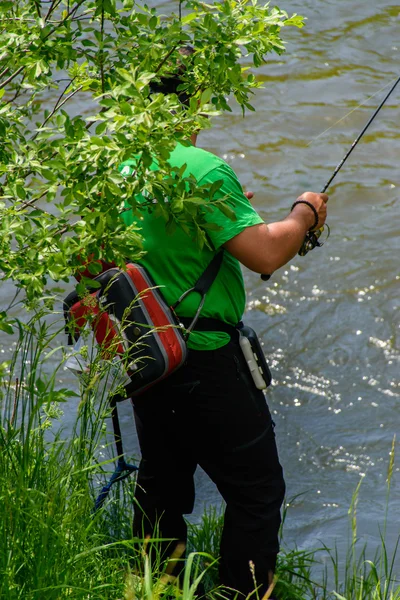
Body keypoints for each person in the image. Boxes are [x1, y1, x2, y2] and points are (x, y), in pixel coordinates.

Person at [118, 56, 328, 599]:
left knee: (162, 481)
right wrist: (304, 212)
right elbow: (265, 255)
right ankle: (240, 593)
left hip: (148, 352)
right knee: (258, 490)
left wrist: (225, 218)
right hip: (206, 357)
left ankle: (154, 585)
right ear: (199, 98)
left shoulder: (117, 163)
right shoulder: (200, 168)